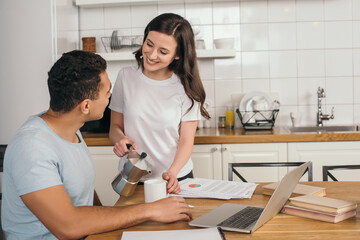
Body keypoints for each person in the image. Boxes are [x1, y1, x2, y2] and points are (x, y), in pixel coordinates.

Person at [1, 50, 192, 240]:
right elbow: (67, 226)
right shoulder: (31, 148)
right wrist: (151, 211)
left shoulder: (70, 130)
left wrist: (112, 222)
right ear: (85, 106)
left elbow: (83, 194)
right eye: (107, 91)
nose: (110, 96)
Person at [109, 13, 210, 194]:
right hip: (134, 176)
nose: (152, 55)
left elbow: (186, 141)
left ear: (178, 55)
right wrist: (120, 140)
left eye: (163, 52)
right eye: (149, 44)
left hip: (175, 177)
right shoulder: (125, 77)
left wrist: (172, 172)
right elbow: (115, 127)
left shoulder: (186, 87)